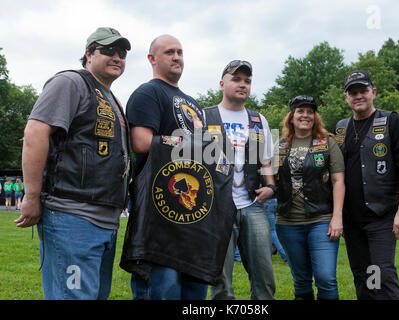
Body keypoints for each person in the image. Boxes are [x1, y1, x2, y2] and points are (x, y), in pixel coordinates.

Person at [16, 27, 131, 300]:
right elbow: (35, 132)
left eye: (122, 53)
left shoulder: (110, 97)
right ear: (89, 54)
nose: (117, 57)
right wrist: (32, 196)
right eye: (109, 50)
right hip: (72, 216)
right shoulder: (70, 82)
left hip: (105, 222)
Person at [121, 35, 235, 300]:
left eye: (180, 52)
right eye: (169, 52)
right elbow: (141, 142)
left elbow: (205, 153)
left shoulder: (193, 103)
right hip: (158, 214)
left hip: (193, 214)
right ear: (152, 58)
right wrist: (191, 144)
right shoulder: (147, 92)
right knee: (163, 287)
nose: (176, 57)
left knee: (194, 290)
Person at [335, 70, 399, 300]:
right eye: (353, 92)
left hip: (381, 215)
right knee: (363, 275)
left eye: (363, 90)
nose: (358, 96)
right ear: (346, 97)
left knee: (382, 273)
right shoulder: (341, 128)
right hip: (352, 219)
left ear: (373, 92)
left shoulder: (393, 121)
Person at [207, 60, 276, 300]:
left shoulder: (259, 120)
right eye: (236, 79)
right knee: (220, 279)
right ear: (222, 83)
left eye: (247, 80)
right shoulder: (205, 117)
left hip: (252, 204)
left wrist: (270, 186)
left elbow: (266, 160)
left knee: (264, 274)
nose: (242, 84)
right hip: (217, 207)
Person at [274, 95, 345, 300]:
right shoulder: (280, 145)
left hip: (321, 220)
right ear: (292, 116)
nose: (305, 115)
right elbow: (269, 177)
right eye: (300, 111)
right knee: (301, 279)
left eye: (310, 111)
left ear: (315, 116)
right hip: (287, 222)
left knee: (325, 278)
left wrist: (337, 217)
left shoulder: (327, 142)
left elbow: (338, 181)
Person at [264, 198, 288, 263]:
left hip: (264, 201)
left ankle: (286, 256)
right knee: (273, 231)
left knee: (272, 231)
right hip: (273, 200)